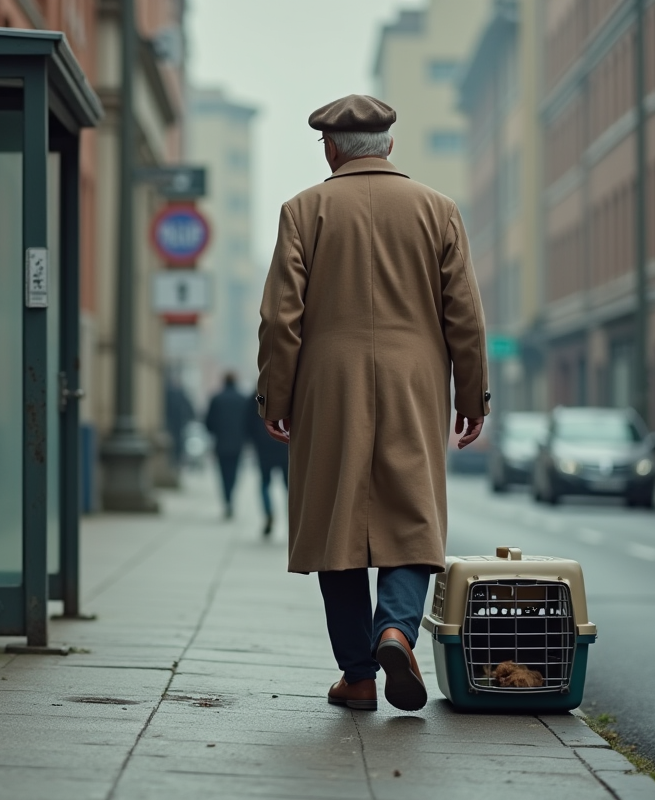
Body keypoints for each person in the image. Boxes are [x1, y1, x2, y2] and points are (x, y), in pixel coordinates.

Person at [255, 94, 489, 713]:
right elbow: (463, 314)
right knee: (412, 515)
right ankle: (396, 631)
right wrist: (471, 394)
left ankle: (358, 676)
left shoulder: (303, 210)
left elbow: (281, 318)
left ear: (330, 147)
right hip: (416, 382)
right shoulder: (437, 210)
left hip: (328, 384)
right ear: (389, 145)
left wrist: (276, 395)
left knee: (338, 522)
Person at [245, 385, 288, 537]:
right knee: (289, 487)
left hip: (264, 448)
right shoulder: (287, 391)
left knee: (264, 484)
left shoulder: (256, 396)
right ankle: (291, 518)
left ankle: (268, 513)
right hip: (284, 446)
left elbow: (248, 422)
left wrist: (255, 441)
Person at [204, 371, 248, 519]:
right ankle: (231, 496)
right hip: (238, 444)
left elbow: (208, 422)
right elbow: (249, 423)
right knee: (234, 473)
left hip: (221, 444)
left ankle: (227, 499)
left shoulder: (216, 399)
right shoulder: (243, 399)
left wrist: (216, 432)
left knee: (223, 474)